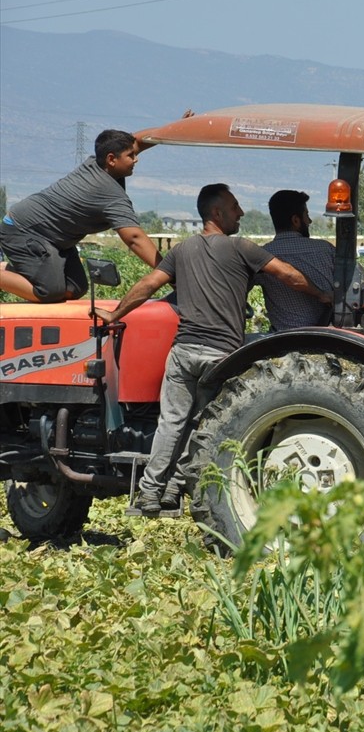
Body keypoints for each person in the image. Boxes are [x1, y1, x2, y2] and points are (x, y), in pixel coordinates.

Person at [93, 183, 331, 514]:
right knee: (200, 424)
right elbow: (288, 275)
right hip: (221, 356)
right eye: (235, 207)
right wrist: (322, 295)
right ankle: (175, 486)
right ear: (217, 213)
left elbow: (148, 285)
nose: (241, 213)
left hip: (184, 352)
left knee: (171, 422)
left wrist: (114, 314)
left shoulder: (181, 251)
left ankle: (151, 491)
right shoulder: (243, 249)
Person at [1, 129, 161, 302]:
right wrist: (167, 270)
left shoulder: (97, 163)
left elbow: (137, 141)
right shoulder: (108, 193)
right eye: (131, 155)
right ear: (111, 159)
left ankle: (8, 270)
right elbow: (134, 238)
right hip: (23, 231)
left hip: (55, 238)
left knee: (75, 288)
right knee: (49, 291)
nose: (136, 159)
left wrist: (174, 128)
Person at [256, 189, 336, 330]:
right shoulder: (326, 250)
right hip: (326, 334)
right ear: (296, 220)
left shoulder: (262, 257)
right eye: (307, 215)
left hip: (282, 338)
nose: (310, 221)